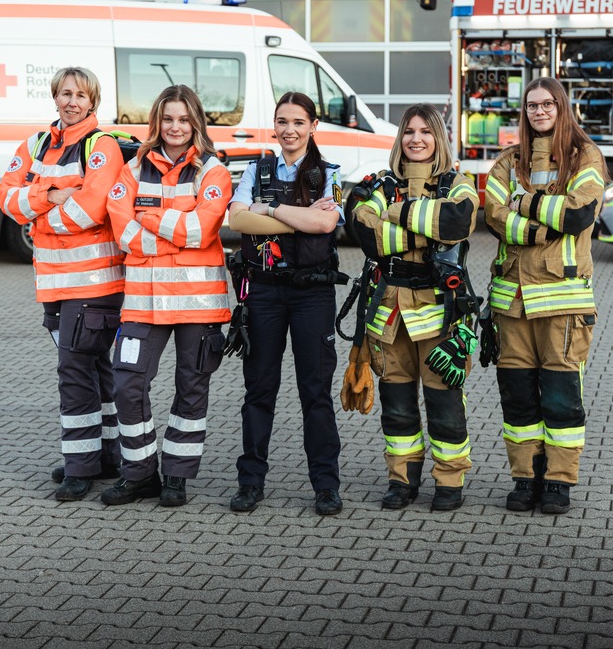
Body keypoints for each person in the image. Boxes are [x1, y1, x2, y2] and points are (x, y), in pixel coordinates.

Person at [0, 67, 125, 501]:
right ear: (54, 97)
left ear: (93, 102)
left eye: (81, 95)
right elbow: (6, 199)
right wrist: (49, 196)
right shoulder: (34, 144)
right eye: (65, 93)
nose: (72, 101)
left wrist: (38, 216)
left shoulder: (101, 146)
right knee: (95, 368)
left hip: (93, 283)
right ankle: (108, 456)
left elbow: (90, 210)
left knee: (73, 370)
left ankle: (80, 466)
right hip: (54, 283)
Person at [101, 84, 231, 508]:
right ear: (156, 122)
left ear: (196, 122)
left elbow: (201, 231)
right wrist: (175, 227)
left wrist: (150, 217)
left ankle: (176, 476)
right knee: (127, 385)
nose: (175, 127)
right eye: (168, 119)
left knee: (191, 388)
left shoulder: (214, 171)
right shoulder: (132, 169)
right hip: (143, 302)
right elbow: (123, 234)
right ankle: (140, 474)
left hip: (198, 304)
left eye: (183, 118)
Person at [484, 77, 607, 514]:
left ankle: (558, 482)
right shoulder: (509, 160)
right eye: (532, 105)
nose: (539, 111)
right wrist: (540, 224)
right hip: (511, 302)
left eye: (547, 104)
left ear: (562, 107)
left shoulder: (585, 156)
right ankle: (525, 478)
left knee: (560, 397)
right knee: (517, 396)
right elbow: (493, 215)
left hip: (563, 303)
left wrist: (524, 203)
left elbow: (578, 212)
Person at [350, 103, 479, 511]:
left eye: (425, 131)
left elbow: (458, 221)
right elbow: (362, 229)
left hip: (440, 311)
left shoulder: (458, 183)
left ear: (438, 137)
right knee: (397, 402)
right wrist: (425, 234)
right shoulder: (378, 183)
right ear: (400, 137)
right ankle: (402, 478)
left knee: (444, 401)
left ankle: (450, 479)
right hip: (388, 313)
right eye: (409, 131)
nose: (416, 138)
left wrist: (396, 215)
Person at [227, 91, 346, 516]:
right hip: (262, 292)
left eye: (298, 122)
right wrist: (300, 218)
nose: (289, 129)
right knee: (259, 389)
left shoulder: (327, 172)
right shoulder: (256, 169)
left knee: (315, 392)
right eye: (282, 121)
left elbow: (325, 222)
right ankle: (250, 482)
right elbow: (237, 219)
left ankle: (326, 486)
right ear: (274, 125)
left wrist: (272, 209)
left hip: (313, 294)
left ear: (313, 126)